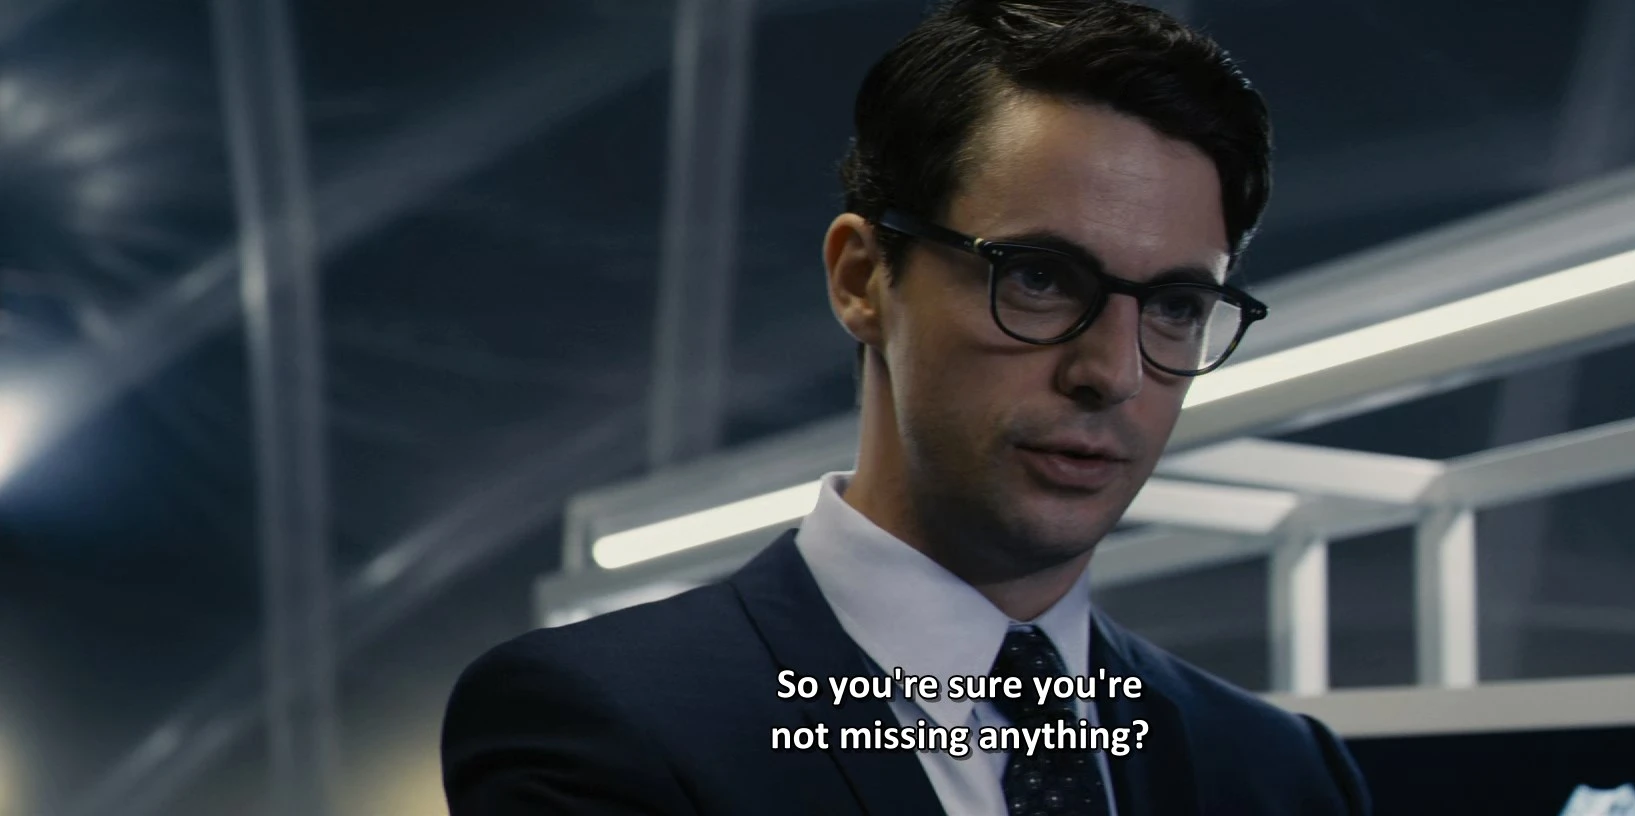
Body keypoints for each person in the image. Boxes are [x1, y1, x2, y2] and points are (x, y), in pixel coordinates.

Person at [441, 1, 1371, 813]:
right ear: (862, 279)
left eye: (1176, 306)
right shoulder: (610, 722)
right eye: (1040, 277)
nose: (1114, 372)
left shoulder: (1283, 774)